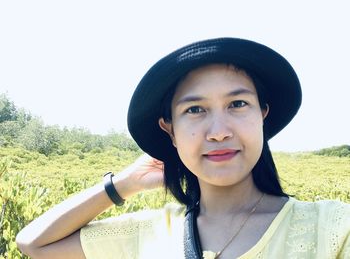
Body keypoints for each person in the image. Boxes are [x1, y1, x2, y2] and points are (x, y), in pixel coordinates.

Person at [16, 38, 350, 259]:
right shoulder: (147, 234)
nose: (219, 132)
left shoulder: (333, 228)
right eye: (194, 110)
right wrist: (124, 184)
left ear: (263, 114)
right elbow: (34, 243)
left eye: (237, 103)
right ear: (170, 131)